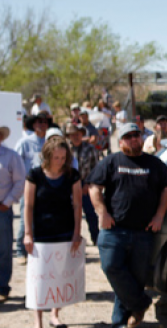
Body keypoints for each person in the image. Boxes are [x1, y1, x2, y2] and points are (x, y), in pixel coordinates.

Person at [87, 123, 167, 328]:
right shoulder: (111, 161)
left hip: (143, 233)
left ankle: (121, 321)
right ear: (120, 141)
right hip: (114, 230)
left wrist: (160, 215)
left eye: (137, 135)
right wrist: (103, 213)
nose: (134, 139)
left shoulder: (154, 163)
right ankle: (141, 303)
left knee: (134, 279)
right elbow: (94, 187)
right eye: (129, 136)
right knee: (110, 267)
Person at [23, 136, 82, 328]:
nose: (60, 161)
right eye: (56, 157)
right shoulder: (34, 175)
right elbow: (28, 205)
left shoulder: (72, 175)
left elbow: (77, 205)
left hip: (64, 231)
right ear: (47, 156)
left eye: (63, 157)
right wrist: (27, 233)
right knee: (39, 277)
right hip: (40, 233)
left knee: (60, 274)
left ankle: (55, 314)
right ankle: (38, 319)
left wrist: (77, 233)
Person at [14, 113, 50, 265]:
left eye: (45, 122)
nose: (42, 124)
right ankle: (20, 251)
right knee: (25, 220)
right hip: (28, 188)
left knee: (43, 219)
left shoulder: (50, 142)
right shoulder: (24, 143)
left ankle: (39, 249)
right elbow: (16, 163)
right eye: (39, 122)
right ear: (33, 125)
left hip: (46, 188)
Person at [0, 126, 25, 304]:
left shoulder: (11, 156)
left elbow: (20, 182)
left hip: (2, 209)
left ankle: (2, 286)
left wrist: (6, 203)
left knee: (3, 250)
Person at [65, 123, 100, 246]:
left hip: (85, 185)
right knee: (70, 215)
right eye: (72, 134)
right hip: (69, 187)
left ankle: (96, 239)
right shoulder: (65, 150)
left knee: (91, 214)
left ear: (82, 135)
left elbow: (96, 169)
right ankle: (72, 238)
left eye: (77, 134)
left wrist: (88, 184)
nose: (75, 137)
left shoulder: (90, 149)